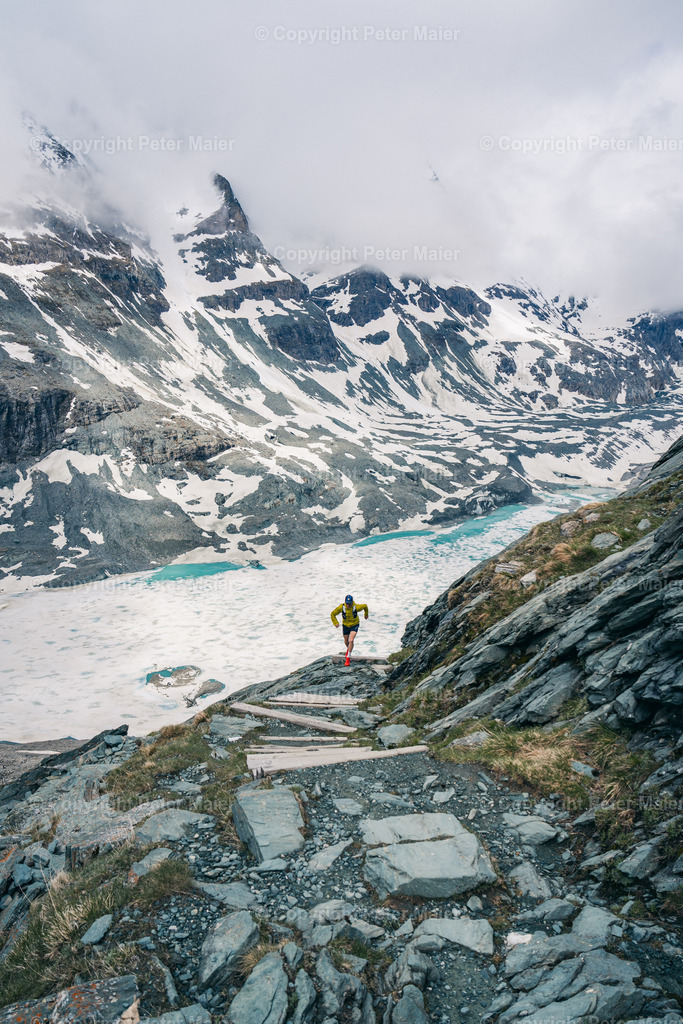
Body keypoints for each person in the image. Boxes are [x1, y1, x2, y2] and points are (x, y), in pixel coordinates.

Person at [331, 594, 369, 665]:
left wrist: (366, 614)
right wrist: (335, 623)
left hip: (354, 624)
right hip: (345, 625)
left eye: (349, 603)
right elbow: (333, 614)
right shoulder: (342, 607)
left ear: (352, 602)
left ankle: (348, 657)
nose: (348, 605)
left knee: (351, 640)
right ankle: (349, 649)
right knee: (346, 641)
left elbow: (365, 606)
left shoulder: (356, 607)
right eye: (347, 603)